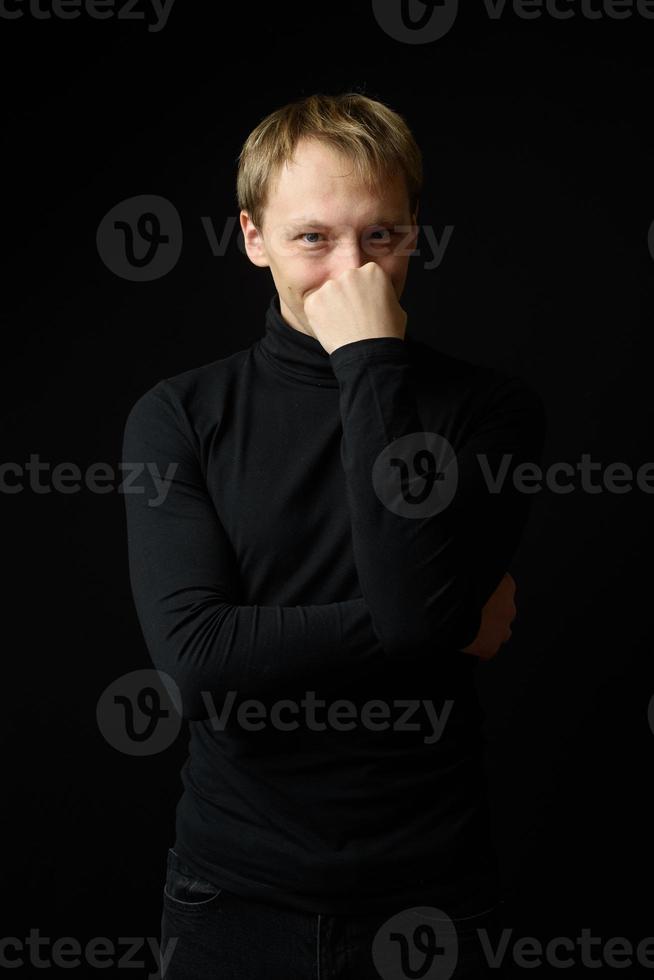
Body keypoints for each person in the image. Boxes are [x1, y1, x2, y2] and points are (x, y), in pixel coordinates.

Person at [122, 91, 546, 979]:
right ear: (253, 237)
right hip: (232, 900)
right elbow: (199, 660)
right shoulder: (179, 417)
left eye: (380, 236)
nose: (352, 272)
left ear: (415, 232)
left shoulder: (488, 413)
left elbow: (406, 615)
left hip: (433, 899)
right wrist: (438, 617)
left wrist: (367, 362)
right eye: (313, 238)